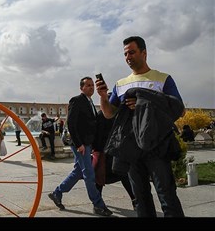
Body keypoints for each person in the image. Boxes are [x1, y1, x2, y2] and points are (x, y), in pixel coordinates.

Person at [96, 35, 185, 217]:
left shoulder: (162, 79)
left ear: (144, 53)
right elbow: (108, 114)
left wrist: (144, 104)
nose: (128, 57)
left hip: (157, 147)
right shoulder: (120, 85)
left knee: (167, 195)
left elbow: (179, 109)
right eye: (125, 53)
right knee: (141, 198)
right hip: (131, 149)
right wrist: (103, 96)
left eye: (132, 52)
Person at [48, 77, 113, 216]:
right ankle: (98, 205)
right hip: (80, 144)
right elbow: (71, 123)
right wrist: (79, 144)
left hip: (87, 143)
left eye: (92, 85)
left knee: (78, 171)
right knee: (89, 174)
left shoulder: (89, 102)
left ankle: (57, 193)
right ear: (81, 88)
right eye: (88, 85)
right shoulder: (76, 100)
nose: (91, 87)